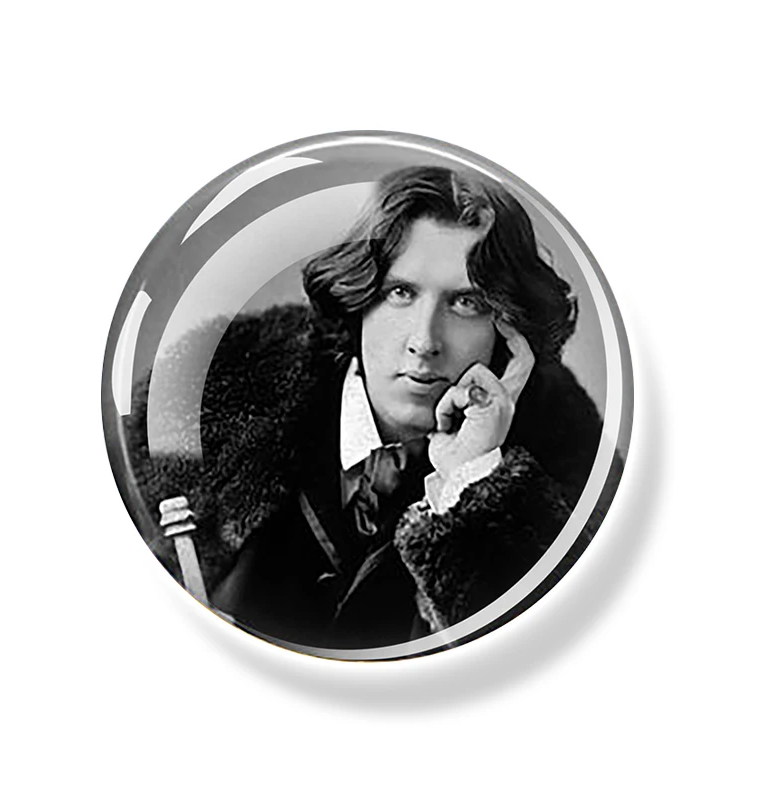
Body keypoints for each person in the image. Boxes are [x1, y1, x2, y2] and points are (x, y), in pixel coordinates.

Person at [126, 165, 622, 650]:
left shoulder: (572, 475)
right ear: (358, 295)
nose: (424, 342)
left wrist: (475, 480)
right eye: (401, 293)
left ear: (508, 330)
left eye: (466, 303)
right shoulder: (202, 411)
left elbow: (542, 659)